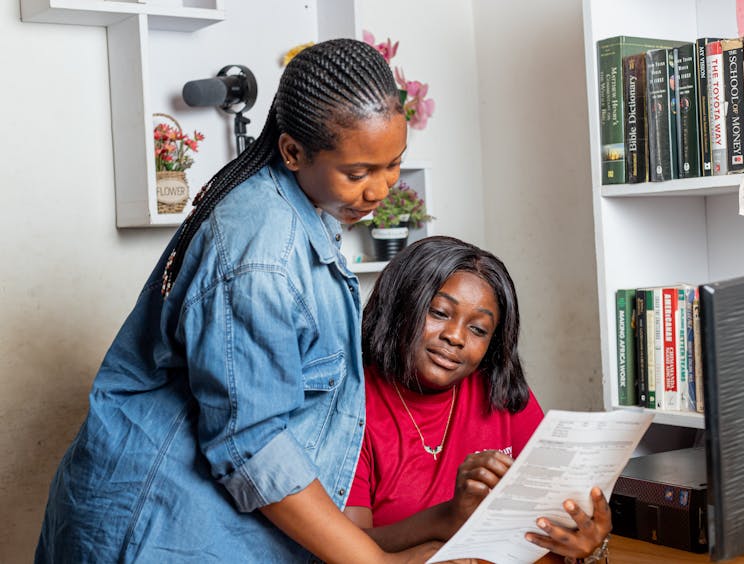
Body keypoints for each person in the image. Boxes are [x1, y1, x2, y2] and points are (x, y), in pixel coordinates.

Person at [35, 39, 443, 563]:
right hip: (157, 527)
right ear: (294, 151)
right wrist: (374, 562)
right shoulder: (262, 255)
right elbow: (252, 445)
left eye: (393, 165)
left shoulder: (304, 209)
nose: (381, 188)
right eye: (358, 173)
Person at [345, 236, 612, 562]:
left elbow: (549, 524)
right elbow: (345, 545)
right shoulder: (351, 406)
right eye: (440, 312)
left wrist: (585, 542)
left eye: (478, 329)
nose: (455, 337)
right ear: (400, 306)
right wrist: (447, 519)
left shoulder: (502, 393)